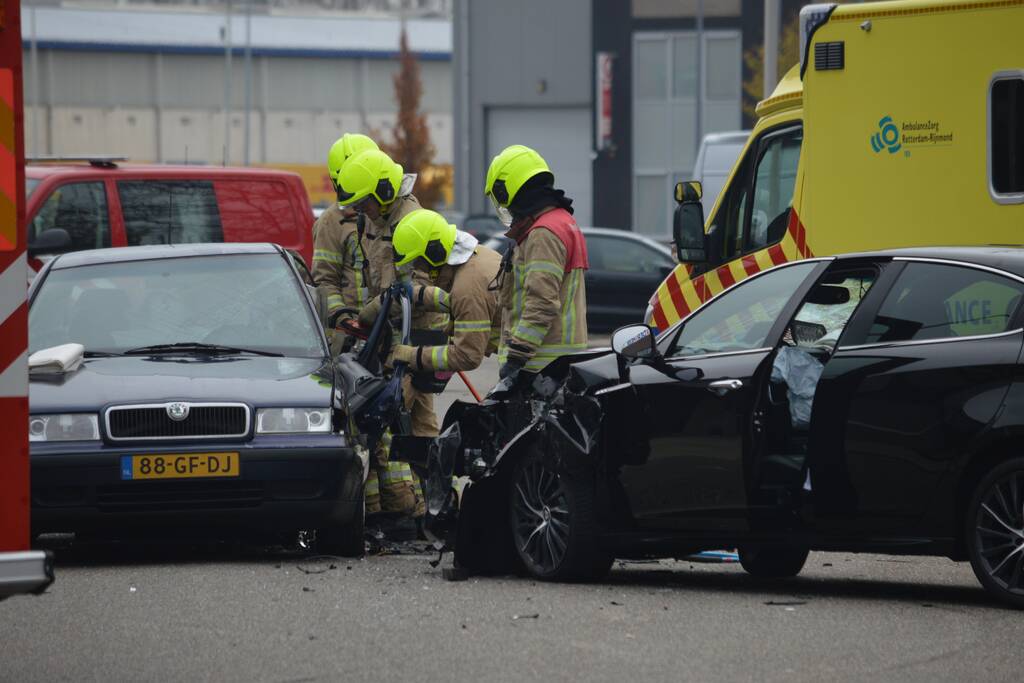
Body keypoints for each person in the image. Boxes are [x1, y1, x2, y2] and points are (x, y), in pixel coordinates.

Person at [335, 148, 444, 526]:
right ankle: (400, 509)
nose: (360, 210)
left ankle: (425, 508)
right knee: (397, 425)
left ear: (382, 191)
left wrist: (370, 316)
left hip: (412, 342)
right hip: (387, 339)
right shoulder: (378, 219)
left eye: (364, 202)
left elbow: (412, 291)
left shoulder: (411, 222)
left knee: (402, 425)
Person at [483, 144, 589, 392]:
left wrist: (517, 357)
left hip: (539, 365)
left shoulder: (543, 233)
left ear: (508, 189)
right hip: (555, 362)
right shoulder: (561, 221)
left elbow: (541, 301)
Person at [383, 209, 502, 375]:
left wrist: (412, 355)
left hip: (532, 364)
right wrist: (416, 294)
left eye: (418, 263)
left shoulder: (468, 287)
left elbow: (467, 356)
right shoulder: (477, 256)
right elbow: (452, 300)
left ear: (434, 253)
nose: (418, 270)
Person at [311, 133, 378, 330]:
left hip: (391, 328)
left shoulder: (389, 215)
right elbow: (324, 281)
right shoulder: (331, 222)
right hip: (354, 335)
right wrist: (344, 320)